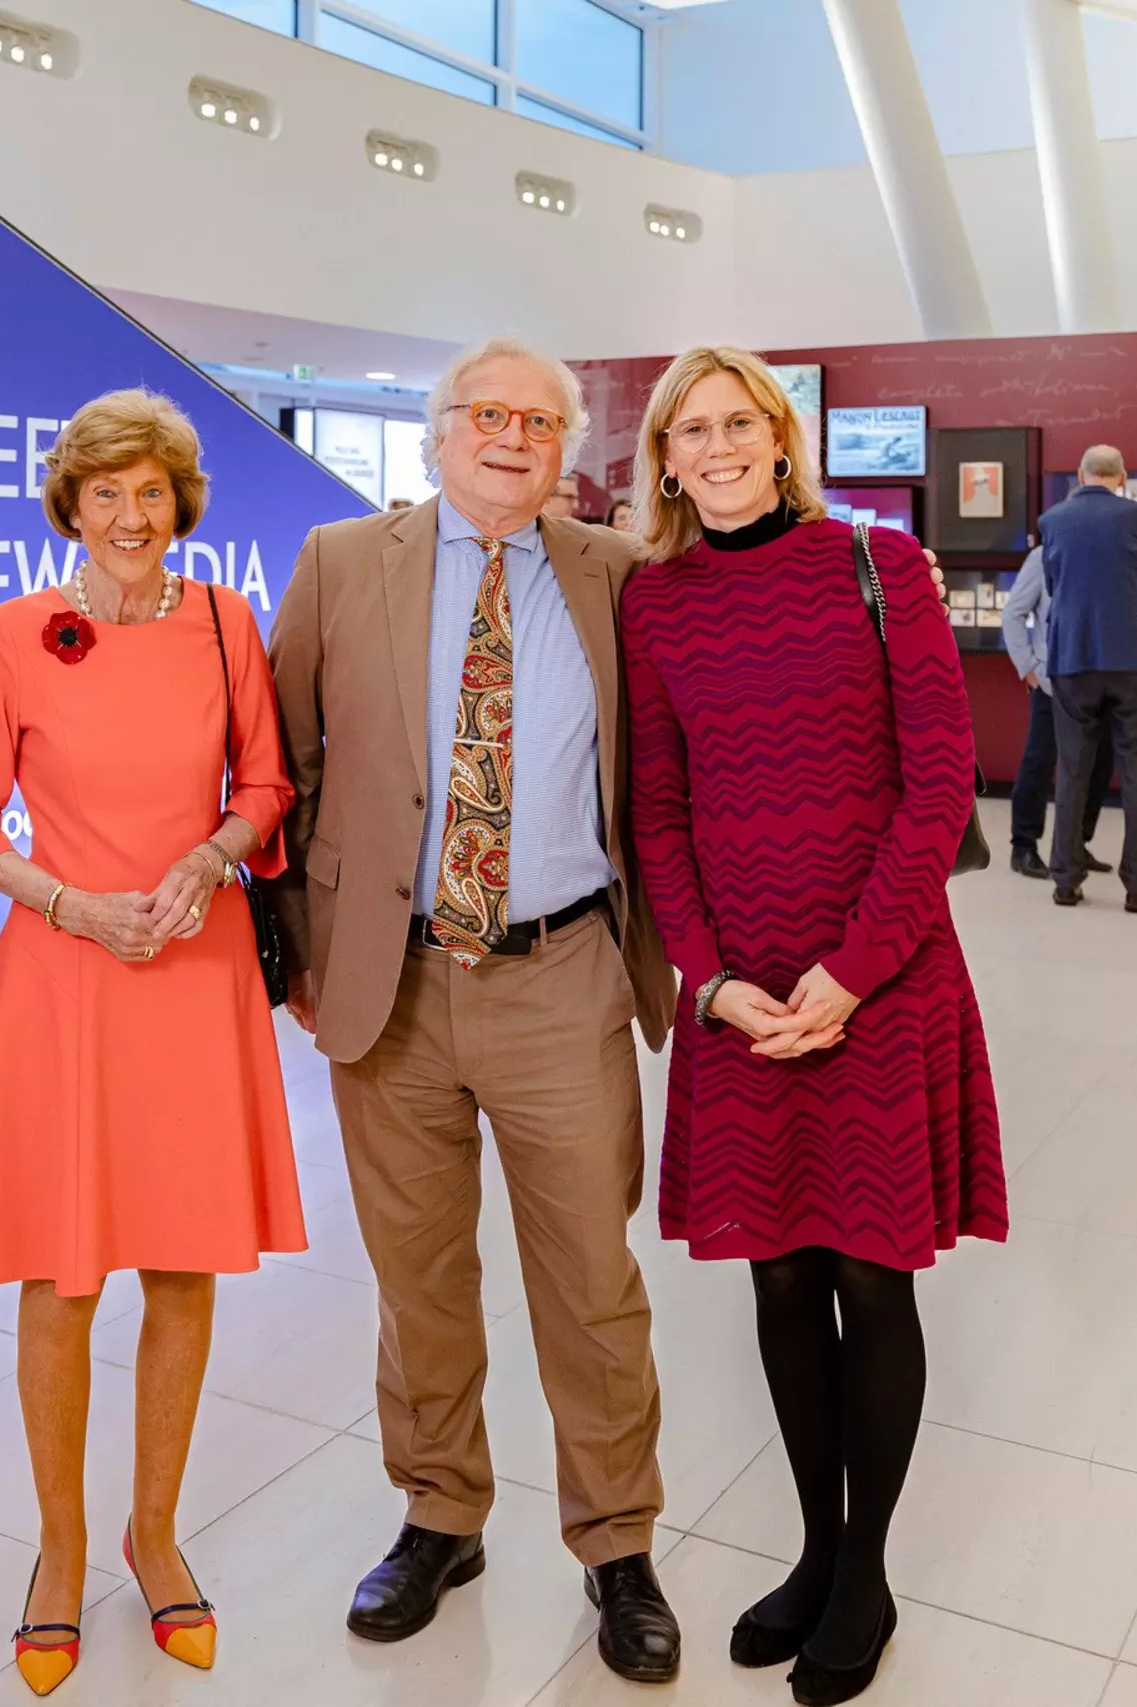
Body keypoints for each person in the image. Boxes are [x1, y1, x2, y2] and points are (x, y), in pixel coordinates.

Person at [265, 338, 684, 1684]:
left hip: (561, 970)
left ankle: (617, 1541)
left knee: (591, 1278)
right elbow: (282, 763)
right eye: (487, 413)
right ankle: (442, 1510)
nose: (511, 434)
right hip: (388, 982)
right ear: (439, 432)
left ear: (566, 449)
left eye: (539, 419)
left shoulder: (617, 576)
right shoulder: (342, 560)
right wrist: (297, 959)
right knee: (417, 1276)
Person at [622, 345, 1007, 1705]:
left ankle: (868, 1570)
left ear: (780, 439)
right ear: (663, 457)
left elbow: (938, 783)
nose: (717, 446)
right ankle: (817, 1543)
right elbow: (657, 811)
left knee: (867, 1273)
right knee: (778, 1273)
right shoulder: (656, 603)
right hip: (740, 989)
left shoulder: (876, 563)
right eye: (691, 429)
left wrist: (848, 972)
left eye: (740, 422)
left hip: (879, 974)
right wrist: (710, 977)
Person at [0, 390, 307, 1696]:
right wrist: (69, 901)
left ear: (181, 501)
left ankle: (154, 1532)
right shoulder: (16, 634)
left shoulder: (225, 620)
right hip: (70, 970)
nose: (131, 517)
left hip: (193, 963)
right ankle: (60, 1543)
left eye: (152, 492)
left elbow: (264, 785)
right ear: (69, 505)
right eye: (106, 494)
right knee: (66, 1273)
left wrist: (213, 859)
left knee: (185, 1263)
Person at [1037, 445, 1137, 912]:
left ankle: (1065, 881)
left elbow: (1055, 586)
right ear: (1121, 475)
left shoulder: (1052, 520)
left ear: (1080, 474)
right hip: (1132, 658)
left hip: (1073, 656)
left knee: (1072, 769)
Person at [1000, 547, 1112, 882]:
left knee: (1100, 765)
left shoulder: (1110, 552)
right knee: (1039, 762)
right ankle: (1024, 846)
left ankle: (1077, 844)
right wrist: (1028, 668)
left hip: (1102, 679)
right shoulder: (1044, 554)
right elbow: (1014, 613)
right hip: (1052, 683)